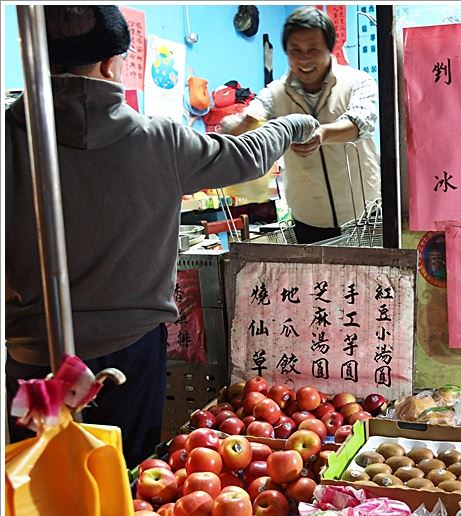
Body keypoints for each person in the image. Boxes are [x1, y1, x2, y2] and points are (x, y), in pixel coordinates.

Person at [5, 5, 319, 467]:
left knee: (37, 488)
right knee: (126, 480)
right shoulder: (157, 139)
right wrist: (295, 123)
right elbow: (246, 155)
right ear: (112, 63)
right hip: (125, 360)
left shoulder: (8, 137)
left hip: (32, 361)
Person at [226, 6, 381, 244]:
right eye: (295, 50)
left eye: (313, 50)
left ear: (329, 49)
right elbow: (251, 118)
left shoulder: (357, 82)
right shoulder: (276, 93)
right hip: (309, 220)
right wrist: (230, 127)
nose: (304, 59)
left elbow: (361, 122)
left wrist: (322, 134)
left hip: (365, 215)